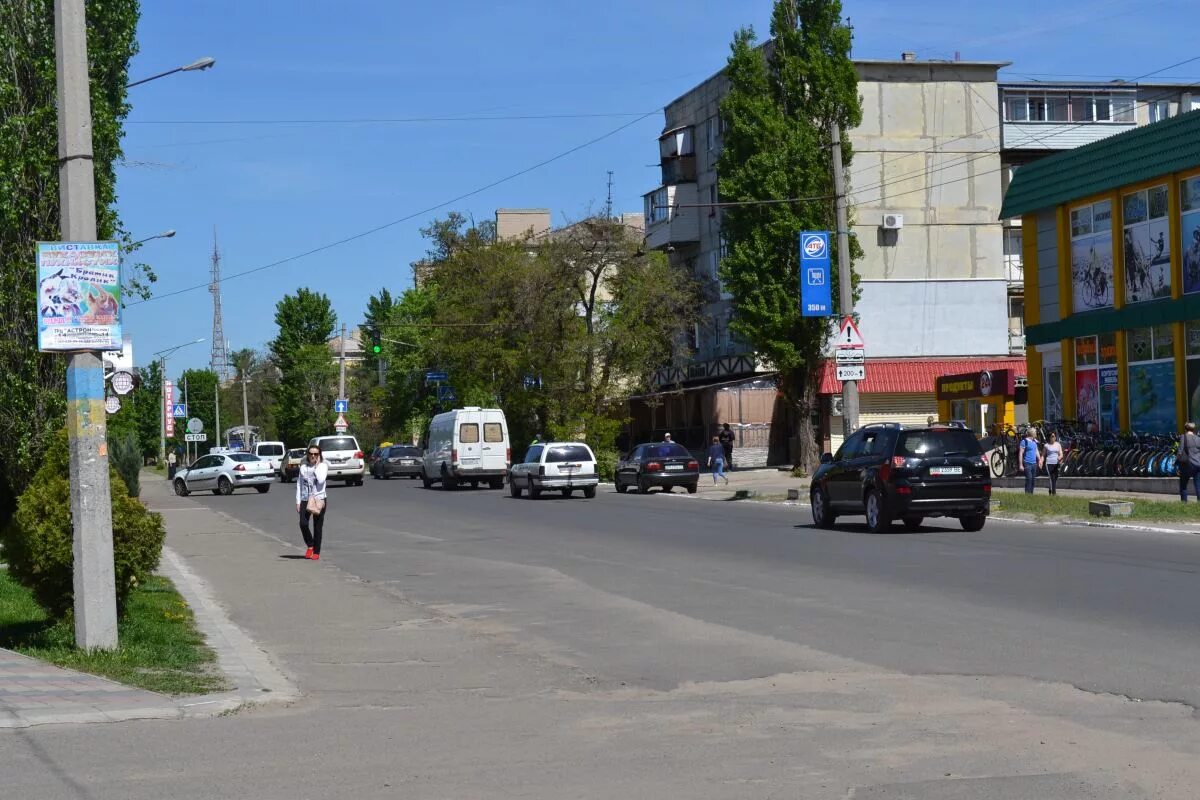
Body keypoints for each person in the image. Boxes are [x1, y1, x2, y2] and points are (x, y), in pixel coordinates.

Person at [296, 445, 328, 560]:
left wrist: (317, 466)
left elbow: (320, 480)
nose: (313, 456)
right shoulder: (303, 467)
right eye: (311, 453)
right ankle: (310, 544)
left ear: (319, 455)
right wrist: (298, 501)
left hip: (319, 499)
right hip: (305, 498)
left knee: (317, 526)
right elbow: (299, 484)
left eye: (316, 454)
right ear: (307, 454)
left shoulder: (323, 466)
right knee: (303, 523)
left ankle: (316, 551)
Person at [1178, 422, 1200, 502]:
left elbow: (1180, 451)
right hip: (1198, 464)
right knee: (1198, 485)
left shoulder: (1184, 437)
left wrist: (1177, 462)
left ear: (1185, 429)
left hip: (1187, 464)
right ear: (1194, 429)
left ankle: (1184, 503)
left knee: (1183, 485)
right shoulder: (1198, 438)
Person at [1018, 428, 1039, 494]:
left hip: (1034, 463)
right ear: (1032, 433)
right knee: (1029, 479)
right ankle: (1027, 494)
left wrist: (1040, 459)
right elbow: (1021, 453)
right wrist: (1021, 465)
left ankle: (1031, 494)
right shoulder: (1024, 441)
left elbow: (1036, 451)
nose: (1036, 433)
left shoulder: (1034, 442)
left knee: (1033, 480)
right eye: (1035, 432)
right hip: (1027, 463)